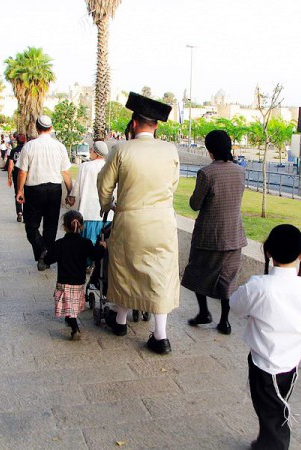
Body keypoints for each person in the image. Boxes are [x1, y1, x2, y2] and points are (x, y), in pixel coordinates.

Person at [97, 92, 179, 355]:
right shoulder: (170, 150)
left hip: (130, 219)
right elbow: (173, 185)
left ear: (133, 123)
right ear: (156, 125)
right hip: (163, 221)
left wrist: (108, 205)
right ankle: (161, 335)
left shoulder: (121, 150)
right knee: (161, 274)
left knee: (124, 270)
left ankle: (120, 321)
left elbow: (104, 185)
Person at [230, 224, 301, 450]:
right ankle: (266, 441)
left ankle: (272, 445)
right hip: (292, 361)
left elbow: (236, 307)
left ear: (267, 252)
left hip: (264, 361)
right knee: (275, 405)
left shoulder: (258, 286)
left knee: (271, 411)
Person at [181, 130, 247, 335]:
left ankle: (204, 313)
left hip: (208, 236)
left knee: (198, 272)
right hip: (234, 234)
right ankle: (224, 321)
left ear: (210, 150)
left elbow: (195, 204)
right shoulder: (240, 171)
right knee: (227, 278)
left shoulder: (206, 173)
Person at [16, 115, 72, 271]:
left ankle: (42, 252)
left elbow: (22, 171)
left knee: (31, 226)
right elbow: (65, 172)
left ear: (36, 127)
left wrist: (19, 190)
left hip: (34, 190)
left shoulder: (29, 146)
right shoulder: (59, 147)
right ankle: (45, 256)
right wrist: (70, 191)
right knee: (50, 226)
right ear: (51, 128)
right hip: (54, 189)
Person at [43, 211, 106, 340]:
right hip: (78, 281)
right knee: (72, 305)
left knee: (69, 307)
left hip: (64, 281)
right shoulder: (86, 242)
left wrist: (45, 256)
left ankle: (75, 329)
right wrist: (102, 247)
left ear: (64, 227)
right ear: (82, 227)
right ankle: (70, 320)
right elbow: (95, 255)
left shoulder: (60, 243)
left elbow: (49, 259)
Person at [67, 141, 114, 245]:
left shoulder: (85, 167)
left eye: (91, 150)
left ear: (96, 153)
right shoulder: (110, 167)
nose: (90, 152)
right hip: (107, 216)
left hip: (87, 213)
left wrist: (71, 197)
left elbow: (77, 187)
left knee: (87, 244)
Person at [7, 133, 26, 222]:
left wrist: (9, 178)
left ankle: (19, 212)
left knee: (18, 192)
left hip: (16, 175)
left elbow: (10, 165)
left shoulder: (13, 151)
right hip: (26, 174)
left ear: (16, 141)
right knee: (26, 193)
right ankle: (26, 213)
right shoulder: (27, 150)